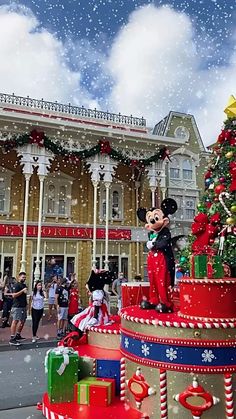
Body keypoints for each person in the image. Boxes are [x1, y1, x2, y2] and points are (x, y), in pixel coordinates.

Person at [8, 272, 28, 346]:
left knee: (23, 320)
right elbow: (14, 295)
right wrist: (22, 291)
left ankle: (18, 335)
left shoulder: (24, 285)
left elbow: (24, 295)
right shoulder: (16, 285)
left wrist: (26, 304)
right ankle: (12, 338)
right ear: (19, 277)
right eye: (22, 277)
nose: (24, 278)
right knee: (15, 321)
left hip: (23, 306)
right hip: (17, 306)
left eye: (25, 277)